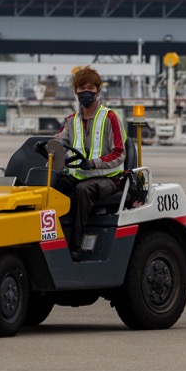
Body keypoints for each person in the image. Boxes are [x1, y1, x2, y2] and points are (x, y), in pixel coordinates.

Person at [47, 65, 126, 258]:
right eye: (81, 89)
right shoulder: (72, 120)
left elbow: (119, 153)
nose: (85, 93)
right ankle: (50, 241)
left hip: (108, 179)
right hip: (79, 174)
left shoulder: (110, 117)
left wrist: (94, 163)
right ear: (75, 91)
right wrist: (47, 146)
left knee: (82, 191)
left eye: (90, 88)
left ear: (98, 91)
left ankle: (74, 247)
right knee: (48, 189)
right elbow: (59, 141)